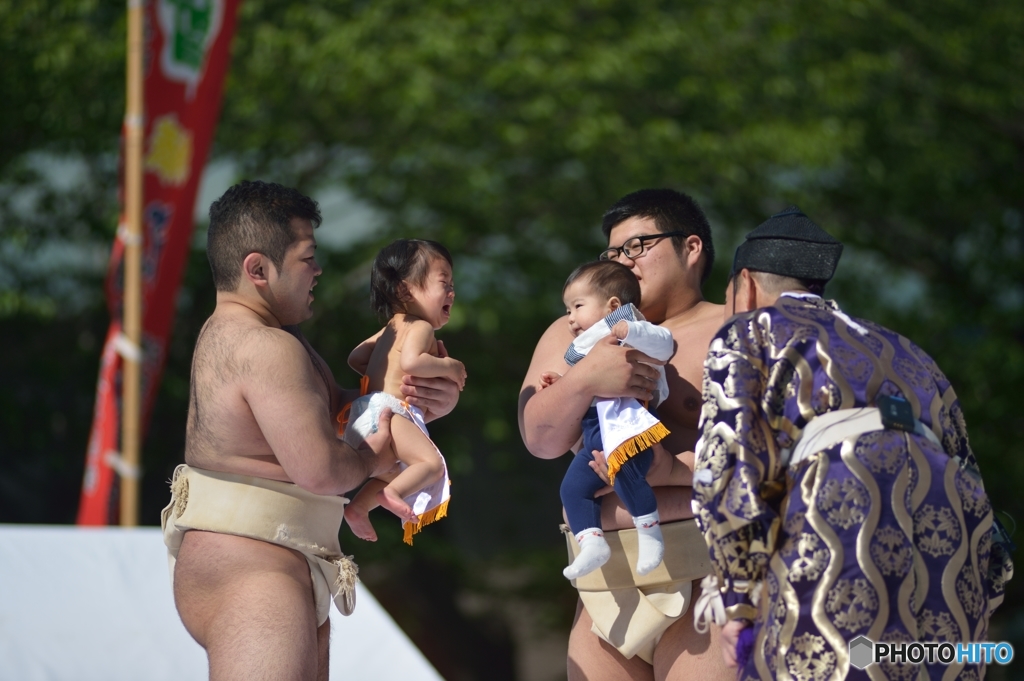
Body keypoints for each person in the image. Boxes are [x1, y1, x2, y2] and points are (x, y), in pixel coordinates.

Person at [692, 207, 1013, 679]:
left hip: (840, 502)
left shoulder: (750, 329)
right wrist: (986, 584)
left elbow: (728, 465)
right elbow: (967, 468)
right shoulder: (908, 350)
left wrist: (738, 600)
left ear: (746, 286)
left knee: (820, 662)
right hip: (948, 529)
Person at [162, 181, 460, 681]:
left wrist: (424, 403)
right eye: (306, 257)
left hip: (272, 557)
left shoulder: (258, 337)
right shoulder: (263, 345)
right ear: (257, 269)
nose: (318, 270)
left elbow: (343, 408)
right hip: (252, 571)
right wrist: (374, 457)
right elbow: (321, 469)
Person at [519, 189, 733, 680]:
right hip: (606, 583)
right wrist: (588, 377)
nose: (623, 261)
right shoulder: (572, 329)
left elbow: (768, 459)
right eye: (613, 252)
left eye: (637, 246)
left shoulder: (733, 327)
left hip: (708, 574)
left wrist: (673, 471)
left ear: (691, 247)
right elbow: (541, 438)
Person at [548, 260, 676, 580]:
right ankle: (591, 543)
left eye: (577, 306)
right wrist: (561, 383)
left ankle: (649, 535)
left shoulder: (633, 327)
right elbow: (581, 385)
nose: (571, 318)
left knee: (626, 476)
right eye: (567, 311)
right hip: (593, 429)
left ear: (613, 306)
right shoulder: (582, 348)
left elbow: (665, 345)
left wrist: (632, 331)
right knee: (571, 488)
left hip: (629, 420)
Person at [342, 239, 466, 545]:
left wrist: (383, 373)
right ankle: (391, 495)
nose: (452, 291)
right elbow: (412, 361)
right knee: (431, 466)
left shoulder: (391, 328)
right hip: (388, 408)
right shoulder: (422, 326)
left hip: (362, 413)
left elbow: (355, 357)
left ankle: (358, 508)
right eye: (443, 283)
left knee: (399, 469)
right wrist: (450, 366)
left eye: (453, 284)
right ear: (404, 290)